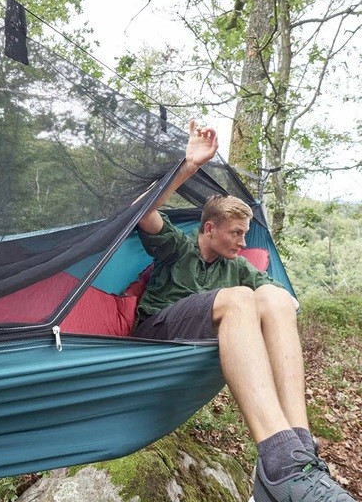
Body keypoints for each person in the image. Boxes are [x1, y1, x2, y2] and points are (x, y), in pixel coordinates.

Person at [132, 119, 356, 502]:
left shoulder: (236, 267)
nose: (241, 241)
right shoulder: (177, 246)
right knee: (238, 298)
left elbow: (279, 298)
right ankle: (281, 464)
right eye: (235, 232)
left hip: (202, 333)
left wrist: (278, 305)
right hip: (158, 331)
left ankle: (297, 458)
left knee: (276, 297)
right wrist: (188, 166)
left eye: (244, 233)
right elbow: (141, 211)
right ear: (208, 229)